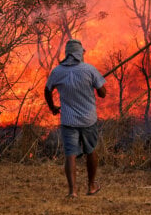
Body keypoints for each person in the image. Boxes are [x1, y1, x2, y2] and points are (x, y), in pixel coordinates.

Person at [44, 39, 107, 198]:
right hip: (88, 120)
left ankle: (73, 191)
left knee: (70, 154)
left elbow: (47, 90)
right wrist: (96, 83)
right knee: (91, 151)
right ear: (80, 54)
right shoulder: (89, 70)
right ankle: (91, 186)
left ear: (67, 54)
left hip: (68, 121)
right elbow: (103, 94)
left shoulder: (57, 72)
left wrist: (52, 107)